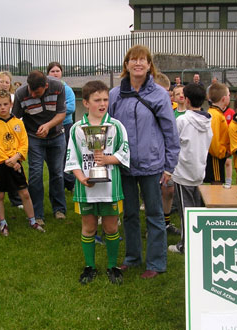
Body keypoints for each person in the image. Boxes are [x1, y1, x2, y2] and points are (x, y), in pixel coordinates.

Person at [108, 45, 180, 279]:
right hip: (124, 164)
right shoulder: (115, 95)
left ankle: (156, 263)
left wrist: (169, 165)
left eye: (143, 60)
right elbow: (110, 129)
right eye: (133, 59)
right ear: (126, 64)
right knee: (129, 213)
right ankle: (132, 258)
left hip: (152, 165)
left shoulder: (159, 94)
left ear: (149, 65)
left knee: (154, 214)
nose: (138, 63)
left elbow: (170, 132)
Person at [65, 81, 129, 285]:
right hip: (86, 188)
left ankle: (112, 266)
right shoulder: (77, 128)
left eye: (105, 99)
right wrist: (81, 177)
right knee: (89, 227)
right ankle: (89, 267)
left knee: (111, 228)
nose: (102, 104)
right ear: (85, 103)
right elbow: (72, 158)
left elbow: (125, 152)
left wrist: (107, 160)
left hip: (111, 187)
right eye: (97, 100)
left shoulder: (116, 126)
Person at [12, 70, 67, 226]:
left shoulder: (58, 87)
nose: (33, 94)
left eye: (37, 92)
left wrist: (48, 126)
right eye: (31, 90)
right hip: (33, 138)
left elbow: (62, 113)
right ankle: (37, 214)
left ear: (46, 86)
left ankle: (59, 209)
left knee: (57, 173)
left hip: (56, 136)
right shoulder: (20, 93)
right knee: (35, 174)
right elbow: (14, 120)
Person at [0, 90, 45, 236]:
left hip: (16, 163)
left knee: (25, 193)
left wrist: (17, 157)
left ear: (11, 105)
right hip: (1, 164)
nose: (2, 107)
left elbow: (24, 143)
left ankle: (32, 221)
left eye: (5, 104)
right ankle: (2, 223)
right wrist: (8, 160)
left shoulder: (18, 123)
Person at [168, 83, 212, 254]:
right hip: (199, 171)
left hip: (183, 173)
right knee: (196, 210)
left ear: (186, 100)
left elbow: (173, 144)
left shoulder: (182, 120)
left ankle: (185, 245)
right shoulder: (208, 120)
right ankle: (199, 240)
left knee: (186, 212)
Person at [153, 72, 181, 235]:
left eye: (169, 93)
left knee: (169, 190)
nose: (167, 97)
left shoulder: (169, 108)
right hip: (151, 158)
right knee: (154, 193)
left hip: (166, 157)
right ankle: (154, 226)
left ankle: (166, 222)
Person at [0, 71, 23, 208]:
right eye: (1, 81)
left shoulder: (13, 97)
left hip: (12, 145)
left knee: (15, 175)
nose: (4, 84)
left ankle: (15, 200)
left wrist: (15, 156)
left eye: (7, 82)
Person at [47, 62, 76, 192]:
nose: (55, 73)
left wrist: (55, 110)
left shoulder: (67, 89)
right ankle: (62, 183)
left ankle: (70, 182)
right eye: (52, 71)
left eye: (57, 71)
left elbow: (71, 107)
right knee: (52, 159)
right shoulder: (46, 88)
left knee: (65, 156)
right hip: (49, 128)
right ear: (48, 73)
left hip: (65, 126)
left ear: (61, 73)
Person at [204, 82, 230, 184]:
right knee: (216, 182)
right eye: (228, 95)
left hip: (219, 154)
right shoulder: (215, 115)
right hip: (215, 156)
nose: (229, 97)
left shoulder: (218, 113)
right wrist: (221, 152)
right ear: (223, 99)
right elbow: (213, 139)